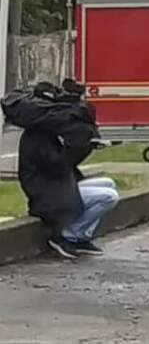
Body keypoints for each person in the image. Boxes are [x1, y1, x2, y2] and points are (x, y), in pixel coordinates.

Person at [10, 82, 119, 258]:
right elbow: (58, 166)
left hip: (55, 186)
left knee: (108, 183)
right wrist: (81, 148)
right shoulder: (38, 138)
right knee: (108, 197)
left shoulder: (44, 130)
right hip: (47, 194)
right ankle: (69, 235)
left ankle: (80, 236)